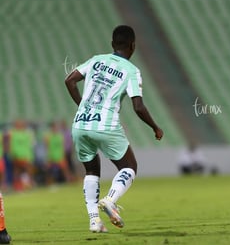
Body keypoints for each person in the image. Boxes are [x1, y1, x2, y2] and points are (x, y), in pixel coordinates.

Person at [64, 25, 164, 233]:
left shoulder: (96, 60)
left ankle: (94, 221)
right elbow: (138, 106)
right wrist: (155, 127)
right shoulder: (131, 70)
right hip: (106, 124)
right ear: (133, 46)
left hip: (81, 123)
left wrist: (84, 106)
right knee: (129, 167)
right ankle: (110, 200)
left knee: (91, 170)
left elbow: (70, 81)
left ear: (112, 44)